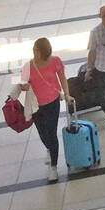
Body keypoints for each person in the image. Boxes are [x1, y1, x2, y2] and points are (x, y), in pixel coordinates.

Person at [18, 37, 69, 183]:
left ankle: (53, 166)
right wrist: (24, 86)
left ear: (44, 52)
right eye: (33, 49)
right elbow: (22, 83)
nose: (34, 52)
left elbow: (62, 78)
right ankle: (49, 148)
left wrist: (66, 93)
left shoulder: (55, 61)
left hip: (52, 103)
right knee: (42, 133)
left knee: (52, 133)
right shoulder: (28, 66)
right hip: (36, 105)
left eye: (36, 50)